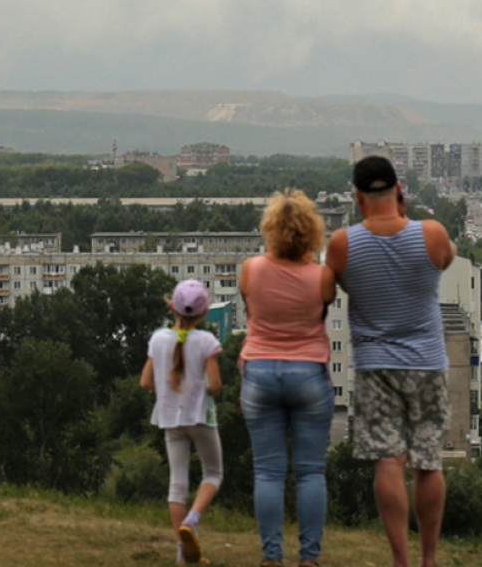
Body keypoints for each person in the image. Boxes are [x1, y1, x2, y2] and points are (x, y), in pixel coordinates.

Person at [326, 156, 456, 567]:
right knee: (428, 462)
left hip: (374, 365)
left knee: (389, 460)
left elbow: (330, 288)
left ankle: (400, 560)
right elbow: (447, 259)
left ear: (357, 196)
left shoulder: (343, 243)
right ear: (399, 190)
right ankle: (429, 559)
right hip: (428, 362)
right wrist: (405, 217)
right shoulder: (431, 234)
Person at [239, 189, 336, 567]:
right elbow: (321, 308)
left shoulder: (252, 269)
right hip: (309, 372)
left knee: (268, 471)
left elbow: (251, 306)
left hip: (260, 372)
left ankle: (271, 557)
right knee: (311, 472)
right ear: (311, 233)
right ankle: (309, 558)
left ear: (271, 230)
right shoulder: (322, 276)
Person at [141, 279, 223, 565]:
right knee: (213, 474)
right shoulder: (207, 342)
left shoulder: (158, 339)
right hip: (201, 417)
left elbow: (145, 381)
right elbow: (215, 385)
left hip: (169, 420)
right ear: (203, 313)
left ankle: (181, 551)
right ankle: (193, 519)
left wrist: (168, 389)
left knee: (177, 485)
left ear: (172, 306)